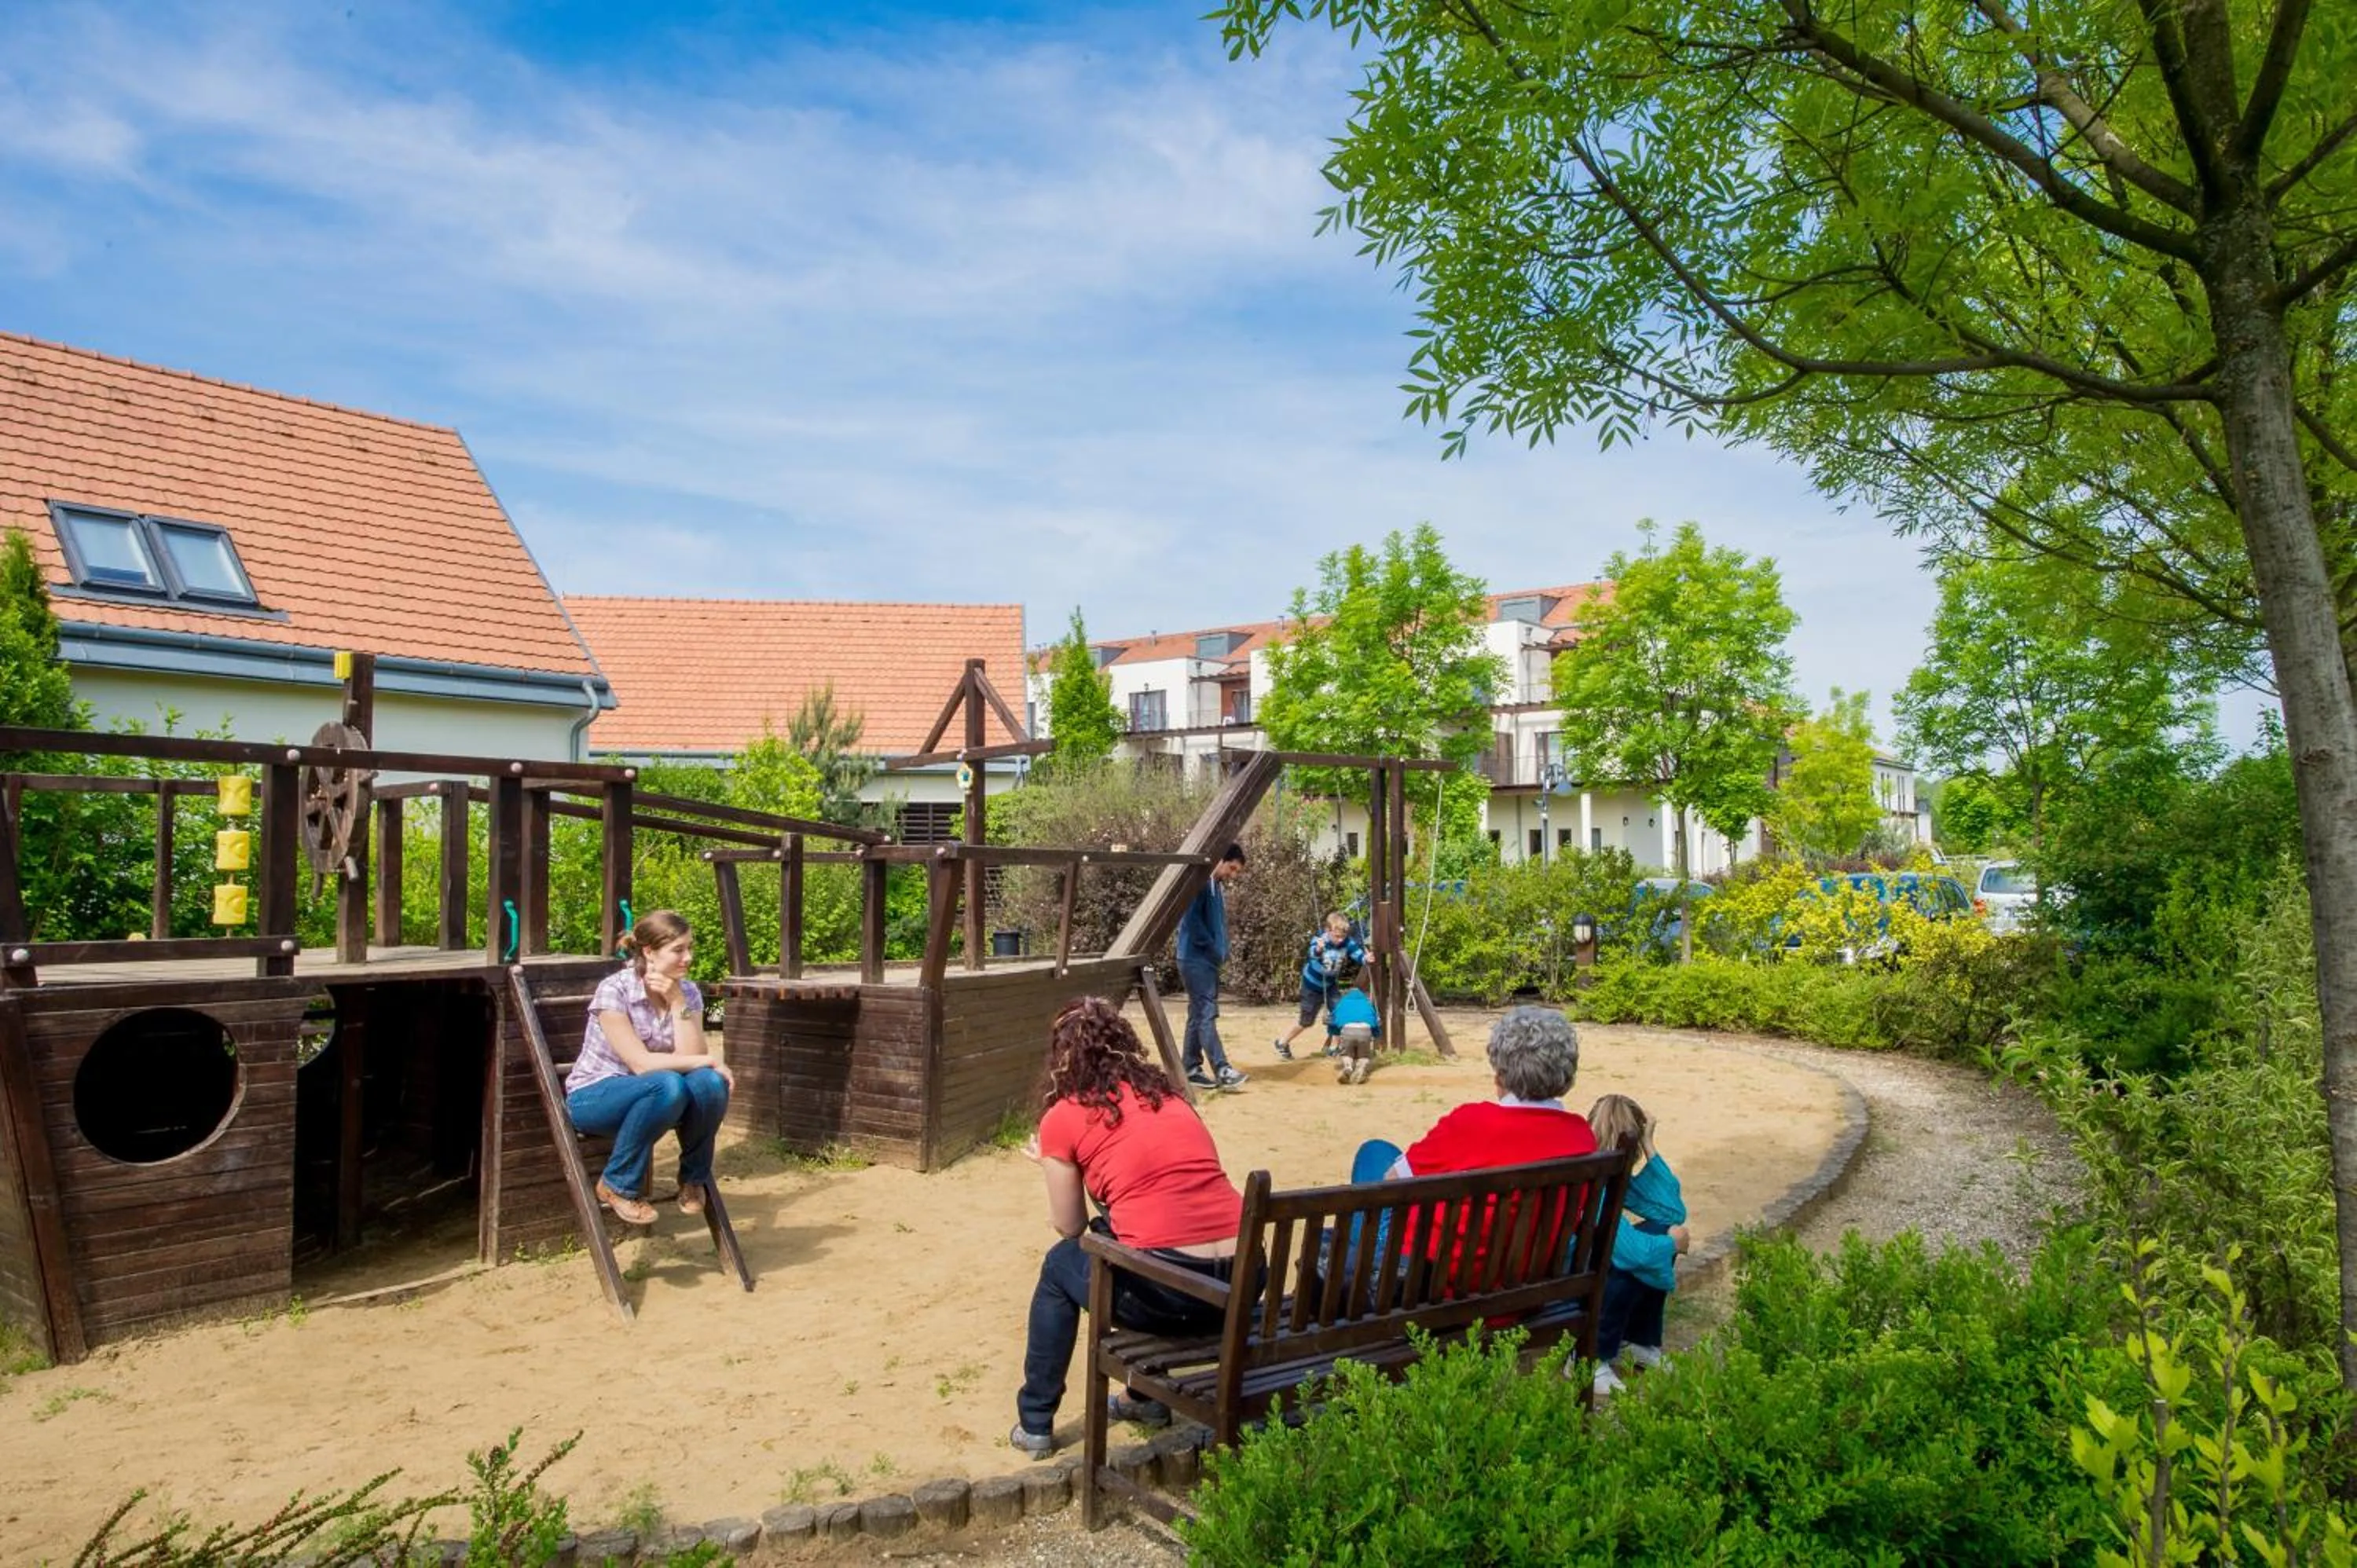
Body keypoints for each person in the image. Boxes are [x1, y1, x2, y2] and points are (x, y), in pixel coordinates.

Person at [1011, 996, 1242, 1459]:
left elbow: (1071, 1225)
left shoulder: (1065, 1116)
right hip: (1241, 1282)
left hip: (1173, 1297)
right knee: (1136, 1243)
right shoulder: (1172, 1098)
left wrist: (1055, 1164)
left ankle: (1036, 1421)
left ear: (1061, 1058)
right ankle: (1143, 1398)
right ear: (1123, 1044)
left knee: (1063, 1266)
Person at [1347, 1007, 1597, 1288]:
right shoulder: (1582, 1137)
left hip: (1438, 1287)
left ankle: (1359, 1273)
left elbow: (1389, 1185)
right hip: (1524, 1288)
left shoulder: (1472, 1124)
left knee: (1375, 1154)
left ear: (1500, 1073)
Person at [564, 909, 735, 1227]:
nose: (689, 957)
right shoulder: (614, 990)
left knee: (711, 1084)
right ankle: (616, 1184)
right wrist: (708, 1059)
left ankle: (693, 1178)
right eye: (679, 950)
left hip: (659, 1099)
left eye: (690, 947)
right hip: (596, 1097)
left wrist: (677, 1003)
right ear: (648, 952)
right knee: (669, 1083)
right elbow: (640, 1064)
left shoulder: (690, 992)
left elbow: (691, 1055)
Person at [1585, 1093, 1690, 1397]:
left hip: (1582, 1261)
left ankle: (1636, 1341)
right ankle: (1590, 1357)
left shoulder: (1610, 1173)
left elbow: (1671, 1212)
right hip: (1568, 1271)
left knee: (1661, 1231)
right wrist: (1672, 1243)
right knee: (1641, 1255)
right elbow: (1632, 1252)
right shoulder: (1595, 1182)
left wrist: (1650, 1145)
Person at [1175, 841, 1249, 1090]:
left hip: (1204, 960)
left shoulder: (1215, 886)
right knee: (1206, 1012)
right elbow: (1193, 923)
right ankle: (1222, 1069)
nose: (1233, 875)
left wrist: (1221, 950)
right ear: (1220, 860)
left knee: (1197, 1013)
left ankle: (1191, 1067)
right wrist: (1214, 948)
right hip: (1195, 959)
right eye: (1232, 868)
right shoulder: (1200, 885)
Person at [1273, 911, 1365, 1061]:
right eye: (1336, 936)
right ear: (1328, 931)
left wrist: (1366, 958)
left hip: (1330, 985)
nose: (1340, 940)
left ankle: (1335, 1047)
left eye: (1342, 936)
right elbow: (1312, 953)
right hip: (1311, 986)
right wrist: (1319, 949)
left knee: (1339, 1013)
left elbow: (1356, 953)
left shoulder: (1346, 942)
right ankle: (1282, 1042)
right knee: (1306, 1021)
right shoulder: (1320, 940)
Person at [1326, 980, 1381, 1084]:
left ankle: (1348, 1068)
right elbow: (1375, 1025)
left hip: (1347, 1030)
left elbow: (1333, 1023)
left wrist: (1334, 1037)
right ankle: (1361, 1069)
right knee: (1364, 1056)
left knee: (1347, 1054)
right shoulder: (1367, 1004)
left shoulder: (1341, 1004)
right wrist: (1376, 1036)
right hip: (1365, 1030)